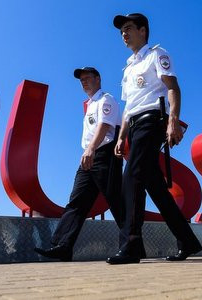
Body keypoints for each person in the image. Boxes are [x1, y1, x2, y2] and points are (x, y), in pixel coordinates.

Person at [106, 13, 202, 264]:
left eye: (128, 28)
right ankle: (188, 241)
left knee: (131, 179)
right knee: (156, 188)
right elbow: (128, 107)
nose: (123, 34)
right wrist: (121, 137)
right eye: (121, 31)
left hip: (153, 120)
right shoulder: (128, 68)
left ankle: (131, 246)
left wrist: (173, 121)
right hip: (136, 125)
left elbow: (173, 87)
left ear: (143, 30)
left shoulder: (157, 55)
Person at [34, 67, 124, 261]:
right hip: (88, 155)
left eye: (87, 78)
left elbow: (105, 126)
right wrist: (88, 151)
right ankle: (63, 246)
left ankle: (132, 244)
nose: (83, 82)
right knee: (77, 202)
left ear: (98, 79)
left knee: (116, 201)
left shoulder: (105, 100)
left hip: (104, 154)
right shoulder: (90, 104)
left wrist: (91, 149)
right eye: (81, 80)